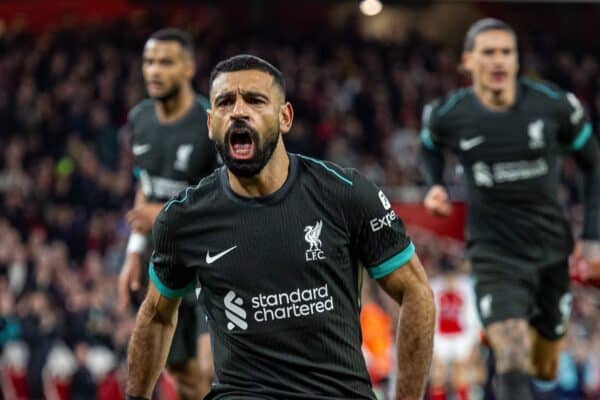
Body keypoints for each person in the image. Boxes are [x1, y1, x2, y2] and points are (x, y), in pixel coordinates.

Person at [125, 54, 435, 400]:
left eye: (255, 100)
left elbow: (415, 291)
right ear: (211, 123)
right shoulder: (184, 219)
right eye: (225, 102)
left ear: (285, 117)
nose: (239, 111)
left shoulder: (345, 194)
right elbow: (156, 317)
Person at [420, 18, 600, 400]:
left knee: (544, 362)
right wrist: (434, 183)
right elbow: (429, 144)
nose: (499, 61)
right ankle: (498, 343)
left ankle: (498, 356)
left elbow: (592, 162)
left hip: (550, 249)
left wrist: (593, 237)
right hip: (493, 252)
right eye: (488, 52)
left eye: (507, 52)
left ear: (517, 60)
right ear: (468, 62)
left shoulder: (553, 107)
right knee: (512, 349)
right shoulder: (451, 114)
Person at [117, 28, 218, 399]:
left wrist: (160, 214)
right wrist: (132, 252)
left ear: (188, 67)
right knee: (181, 370)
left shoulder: (211, 121)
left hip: (211, 263)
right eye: (148, 62)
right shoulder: (139, 119)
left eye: (165, 62)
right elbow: (145, 185)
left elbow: (228, 198)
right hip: (164, 262)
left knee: (213, 368)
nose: (154, 71)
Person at [429, 260, 480, 400]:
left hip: (461, 337)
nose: (449, 282)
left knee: (461, 373)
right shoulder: (434, 287)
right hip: (440, 338)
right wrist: (431, 346)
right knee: (438, 375)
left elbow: (473, 316)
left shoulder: (466, 286)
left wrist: (473, 343)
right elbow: (430, 316)